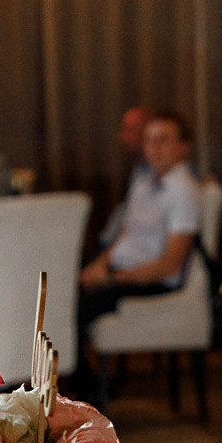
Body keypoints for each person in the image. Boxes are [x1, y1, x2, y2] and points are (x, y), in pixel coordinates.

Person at [78, 108, 203, 333]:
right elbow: (126, 236)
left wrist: (112, 278)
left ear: (183, 147)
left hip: (151, 281)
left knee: (74, 305)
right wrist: (100, 265)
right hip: (123, 268)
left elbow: (170, 265)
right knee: (57, 279)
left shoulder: (183, 190)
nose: (154, 148)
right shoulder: (142, 182)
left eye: (163, 140)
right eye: (149, 140)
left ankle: (76, 368)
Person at [96, 104, 153, 249]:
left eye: (130, 130)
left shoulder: (163, 179)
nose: (123, 137)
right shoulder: (140, 171)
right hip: (114, 247)